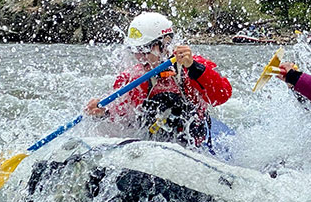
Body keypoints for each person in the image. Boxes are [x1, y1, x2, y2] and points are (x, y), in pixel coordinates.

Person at [85, 12, 232, 147]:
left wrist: (193, 67)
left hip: (194, 145)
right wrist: (103, 113)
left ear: (165, 44)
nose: (140, 57)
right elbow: (122, 118)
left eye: (145, 50)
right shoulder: (131, 78)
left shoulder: (192, 66)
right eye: (135, 51)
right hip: (151, 147)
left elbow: (222, 95)